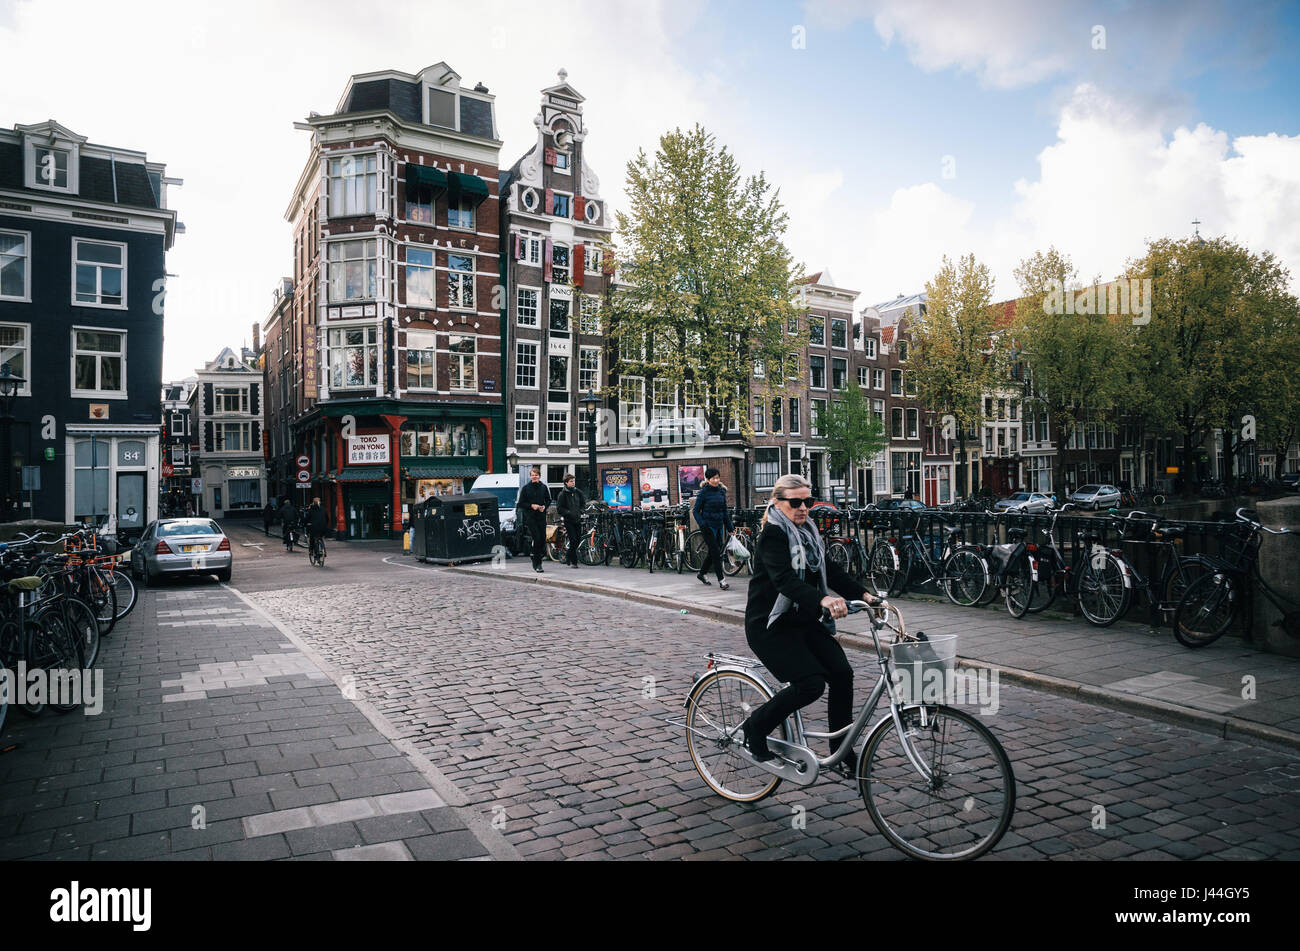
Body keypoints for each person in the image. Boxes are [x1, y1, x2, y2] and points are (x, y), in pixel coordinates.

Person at [740, 473, 877, 772]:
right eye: (796, 502)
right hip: (770, 626)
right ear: (778, 503)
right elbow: (785, 580)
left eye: (808, 501)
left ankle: (840, 751)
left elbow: (831, 570)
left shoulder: (809, 533)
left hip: (803, 621)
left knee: (842, 674)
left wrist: (865, 595)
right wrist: (823, 600)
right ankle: (755, 727)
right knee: (810, 684)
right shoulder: (773, 536)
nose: (803, 508)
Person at [691, 467, 733, 590]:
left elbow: (724, 511)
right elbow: (696, 511)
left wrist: (730, 527)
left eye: (717, 478)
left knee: (714, 552)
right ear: (708, 479)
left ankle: (701, 573)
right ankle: (722, 580)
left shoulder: (721, 492)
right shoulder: (703, 492)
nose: (716, 480)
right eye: (713, 478)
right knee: (715, 553)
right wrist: (703, 524)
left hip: (719, 525)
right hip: (708, 527)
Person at [517, 468, 552, 573]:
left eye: (536, 475)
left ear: (539, 476)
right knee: (536, 538)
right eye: (532, 475)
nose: (534, 477)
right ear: (530, 476)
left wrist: (544, 506)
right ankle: (538, 564)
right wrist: (531, 506)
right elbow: (520, 504)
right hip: (531, 517)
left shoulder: (543, 487)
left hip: (541, 517)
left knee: (542, 539)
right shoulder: (526, 488)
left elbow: (548, 500)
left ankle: (534, 554)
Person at [556, 473, 585, 568]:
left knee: (578, 540)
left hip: (577, 519)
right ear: (566, 483)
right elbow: (559, 508)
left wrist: (581, 511)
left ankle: (568, 555)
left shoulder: (578, 492)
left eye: (573, 481)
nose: (573, 483)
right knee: (573, 540)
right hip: (569, 520)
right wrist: (568, 512)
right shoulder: (562, 494)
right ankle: (574, 562)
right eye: (571, 481)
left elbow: (583, 503)